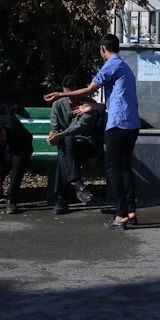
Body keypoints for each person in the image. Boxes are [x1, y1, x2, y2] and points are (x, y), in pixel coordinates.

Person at [44, 34, 141, 230]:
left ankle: (121, 214)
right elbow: (118, 100)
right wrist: (95, 107)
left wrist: (61, 94)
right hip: (131, 124)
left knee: (114, 170)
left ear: (102, 49)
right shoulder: (124, 67)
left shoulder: (110, 65)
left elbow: (89, 90)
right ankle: (130, 211)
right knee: (124, 168)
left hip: (117, 125)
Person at [47, 74, 102, 215]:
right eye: (66, 93)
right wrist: (53, 135)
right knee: (66, 147)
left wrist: (62, 135)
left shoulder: (88, 104)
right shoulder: (58, 104)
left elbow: (82, 126)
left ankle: (61, 199)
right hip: (66, 144)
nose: (69, 97)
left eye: (72, 93)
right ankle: (78, 185)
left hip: (86, 143)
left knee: (65, 147)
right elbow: (54, 126)